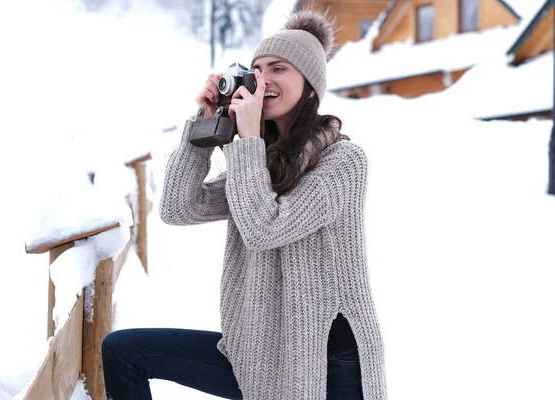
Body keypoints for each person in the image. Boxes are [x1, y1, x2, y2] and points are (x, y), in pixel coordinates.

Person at [101, 10, 387, 400]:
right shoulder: (261, 162)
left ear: (310, 87)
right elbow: (179, 207)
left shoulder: (344, 162)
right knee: (124, 352)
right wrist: (204, 122)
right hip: (259, 353)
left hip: (327, 361)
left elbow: (264, 228)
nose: (263, 79)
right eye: (256, 69)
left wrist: (249, 139)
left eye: (279, 68)